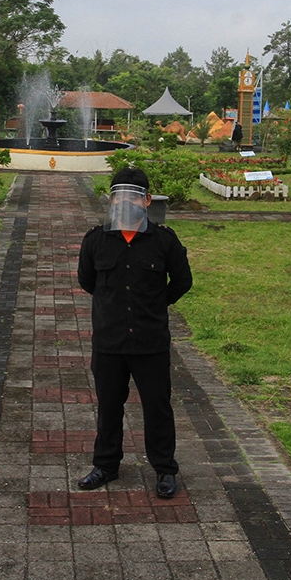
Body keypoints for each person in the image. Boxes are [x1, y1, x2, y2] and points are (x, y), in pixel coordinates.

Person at [77, 167, 193, 498]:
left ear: (147, 201)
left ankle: (165, 469)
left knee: (157, 406)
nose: (126, 202)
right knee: (109, 405)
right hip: (109, 342)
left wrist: (156, 305)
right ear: (111, 200)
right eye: (119, 196)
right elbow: (87, 281)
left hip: (150, 342)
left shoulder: (164, 241)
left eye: (133, 196)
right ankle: (106, 465)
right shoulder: (96, 240)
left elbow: (182, 281)